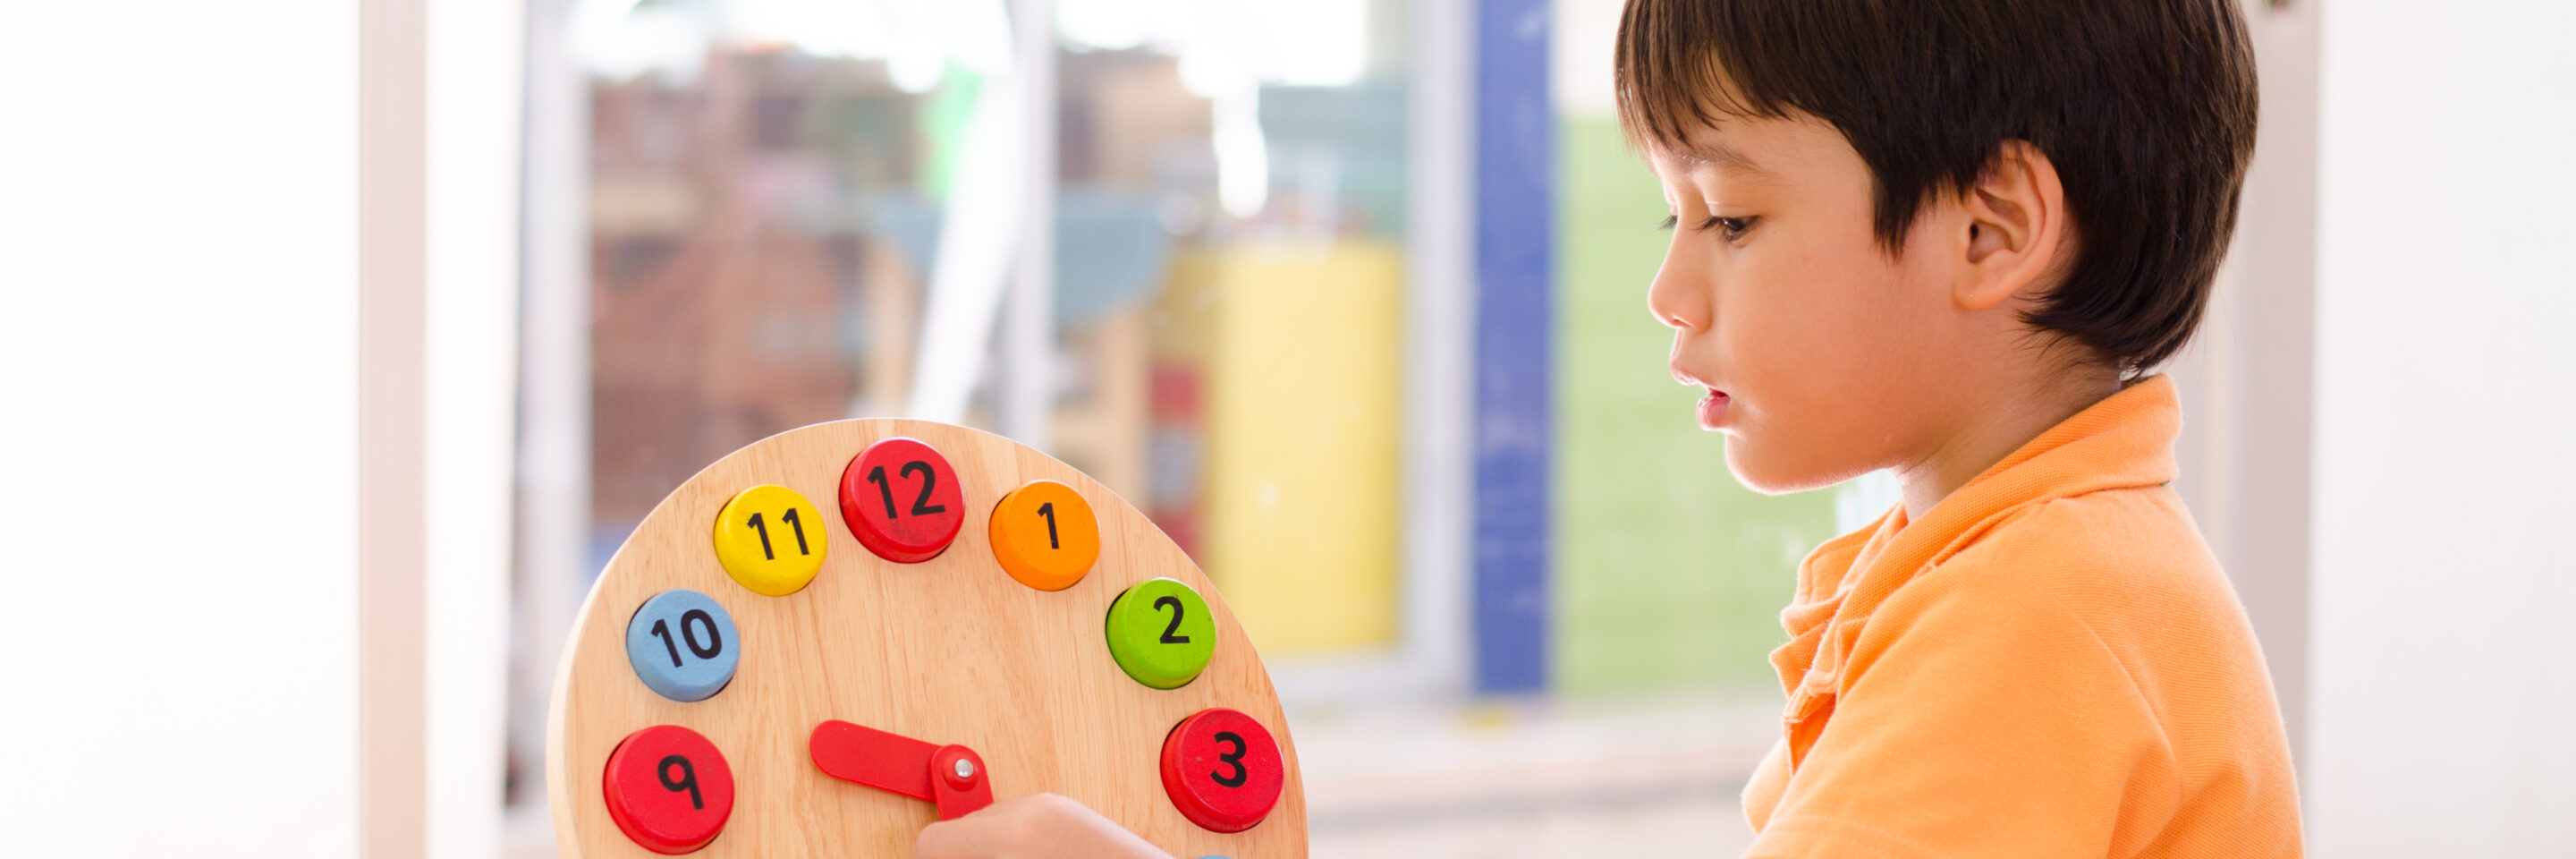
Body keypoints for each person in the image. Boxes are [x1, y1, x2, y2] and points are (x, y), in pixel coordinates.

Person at [915, 0, 2299, 855]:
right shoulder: (2036, 570)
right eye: (1670, 217)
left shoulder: (2041, 617)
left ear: (1990, 230)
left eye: (1733, 218)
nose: (1668, 289)